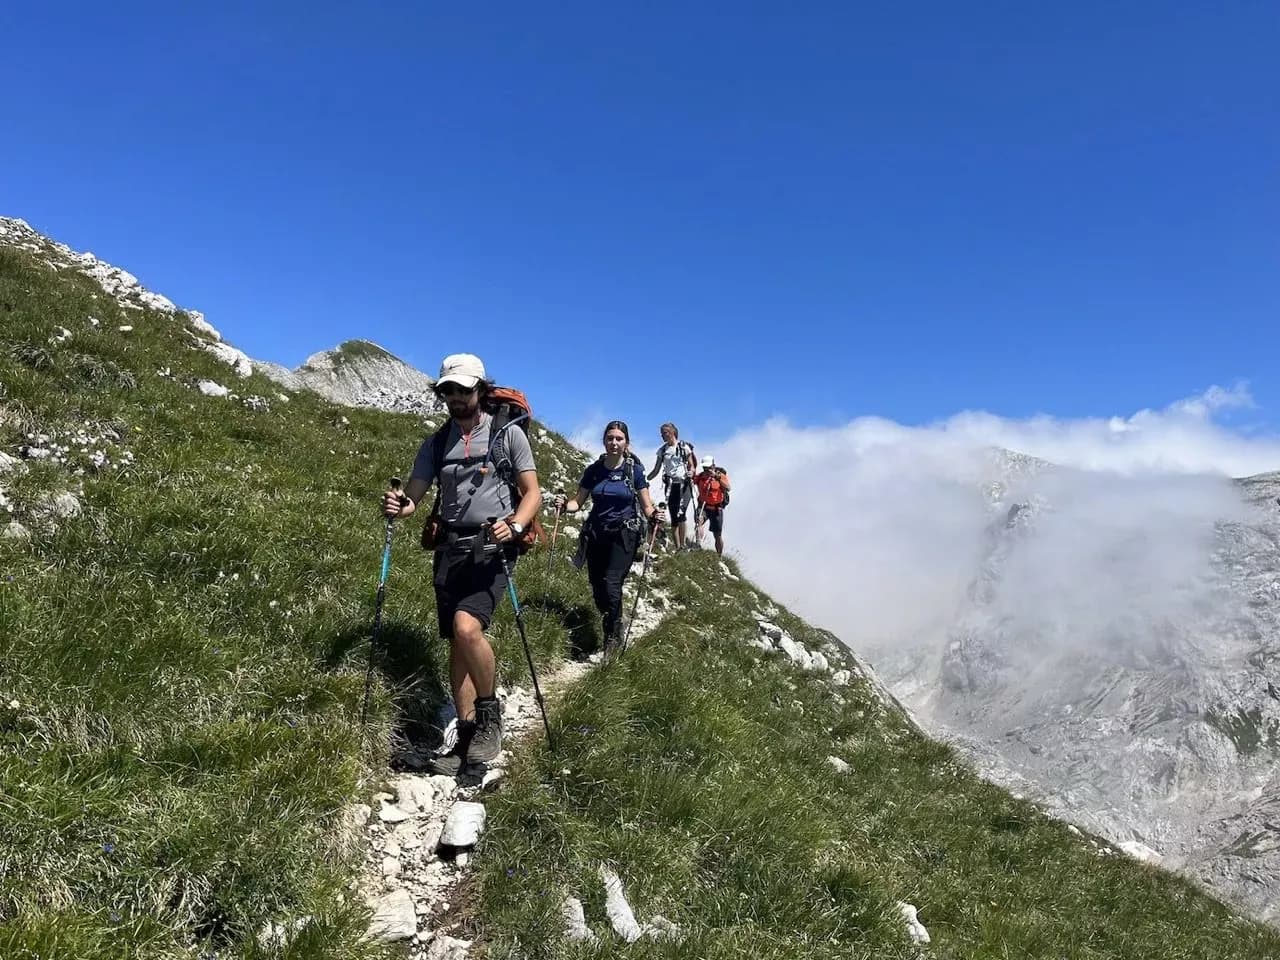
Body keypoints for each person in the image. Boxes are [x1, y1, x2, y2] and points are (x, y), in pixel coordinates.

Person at [381, 353, 542, 773]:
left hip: (494, 546)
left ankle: (490, 716)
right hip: (451, 549)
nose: (455, 397)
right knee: (457, 642)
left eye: (464, 389)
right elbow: (415, 495)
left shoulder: (508, 436)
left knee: (466, 627)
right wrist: (401, 506)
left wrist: (517, 524)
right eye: (447, 390)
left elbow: (531, 493)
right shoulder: (436, 443)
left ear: (480, 390)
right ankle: (467, 738)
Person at [556, 421, 665, 657]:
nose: (614, 443)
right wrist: (565, 506)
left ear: (626, 442)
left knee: (612, 583)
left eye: (619, 439)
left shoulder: (633, 471)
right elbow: (578, 501)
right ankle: (613, 618)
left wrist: (655, 515)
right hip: (596, 534)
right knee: (597, 586)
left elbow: (646, 506)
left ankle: (612, 637)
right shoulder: (594, 470)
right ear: (604, 441)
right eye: (610, 438)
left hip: (624, 535)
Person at [646, 422, 697, 551]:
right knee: (674, 515)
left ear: (672, 432)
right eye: (662, 434)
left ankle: (683, 545)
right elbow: (656, 469)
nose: (663, 436)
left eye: (665, 433)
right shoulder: (662, 450)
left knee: (681, 513)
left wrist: (692, 472)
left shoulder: (684, 447)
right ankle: (678, 546)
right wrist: (645, 479)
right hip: (670, 485)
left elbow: (691, 465)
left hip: (684, 485)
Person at [694, 455, 731, 556]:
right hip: (703, 507)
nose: (706, 470)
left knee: (717, 535)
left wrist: (717, 477)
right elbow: (692, 480)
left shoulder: (720, 476)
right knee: (698, 522)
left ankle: (719, 556)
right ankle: (698, 545)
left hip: (716, 509)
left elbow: (728, 487)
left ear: (713, 466)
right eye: (704, 468)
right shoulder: (700, 477)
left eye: (708, 467)